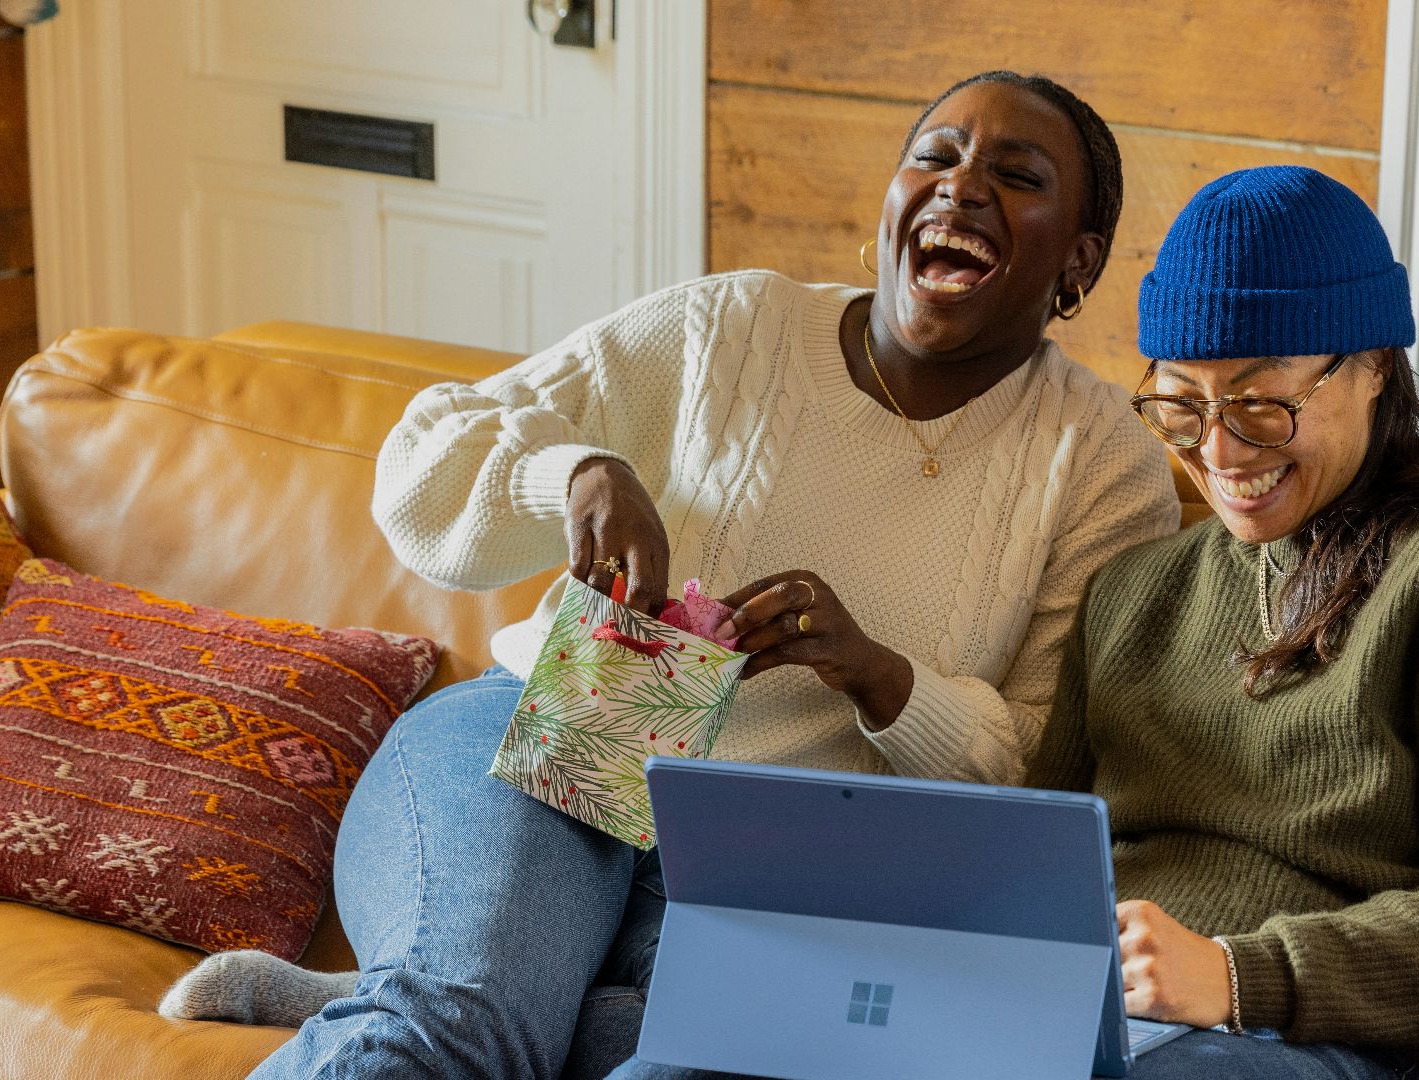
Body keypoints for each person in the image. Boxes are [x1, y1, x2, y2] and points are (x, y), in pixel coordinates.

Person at [157, 71, 1180, 1079]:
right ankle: (456, 994)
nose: (961, 186)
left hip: (783, 863)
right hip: (558, 733)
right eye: (936, 157)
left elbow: (1045, 775)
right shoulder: (732, 328)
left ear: (1078, 260)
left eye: (1017, 174)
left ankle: (452, 989)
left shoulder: (1101, 461)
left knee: (656, 1055)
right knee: (462, 1028)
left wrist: (879, 676)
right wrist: (576, 476)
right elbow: (422, 462)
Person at [1020, 165, 1419, 1078]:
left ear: (1374, 364)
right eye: (1181, 405)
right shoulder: (1130, 593)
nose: (1218, 451)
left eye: (1261, 404)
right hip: (1086, 1010)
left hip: (1300, 1036)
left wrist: (1237, 975)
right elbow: (1036, 864)